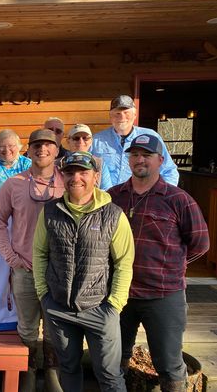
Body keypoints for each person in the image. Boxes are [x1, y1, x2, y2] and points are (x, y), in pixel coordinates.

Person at [109, 134, 209, 392]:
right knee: (114, 359)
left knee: (169, 364)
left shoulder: (179, 200)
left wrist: (171, 267)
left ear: (160, 160)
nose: (140, 160)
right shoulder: (113, 197)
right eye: (135, 155)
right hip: (120, 294)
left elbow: (200, 243)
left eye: (147, 155)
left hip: (163, 296)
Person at [33, 151, 135, 392]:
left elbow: (124, 262)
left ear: (96, 177)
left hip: (100, 308)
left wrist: (114, 305)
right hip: (59, 307)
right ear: (62, 176)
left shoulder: (113, 215)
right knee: (68, 369)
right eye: (69, 172)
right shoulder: (50, 212)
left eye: (83, 172)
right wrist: (44, 296)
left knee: (110, 375)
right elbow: (39, 253)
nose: (76, 178)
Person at [0, 129, 64, 391]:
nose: (42, 149)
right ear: (29, 150)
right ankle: (29, 371)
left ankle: (52, 371)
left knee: (55, 324)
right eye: (36, 145)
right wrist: (10, 256)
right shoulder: (14, 184)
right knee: (27, 325)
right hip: (24, 268)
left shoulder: (69, 182)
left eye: (48, 145)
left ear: (56, 150)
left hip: (59, 271)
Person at [92, 95, 179, 187]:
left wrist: (163, 196)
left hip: (141, 198)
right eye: (117, 113)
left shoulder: (151, 137)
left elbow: (169, 171)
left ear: (135, 115)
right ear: (110, 116)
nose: (122, 117)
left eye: (126, 113)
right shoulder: (97, 140)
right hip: (106, 199)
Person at [0, 129, 31, 205]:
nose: (7, 150)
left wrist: (6, 197)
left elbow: (34, 193)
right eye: (2, 146)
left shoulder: (27, 164)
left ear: (18, 147)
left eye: (11, 146)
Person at [66, 123, 113, 190]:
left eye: (85, 138)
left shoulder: (99, 164)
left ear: (91, 141)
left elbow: (107, 190)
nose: (81, 141)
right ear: (68, 141)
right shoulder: (59, 163)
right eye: (76, 138)